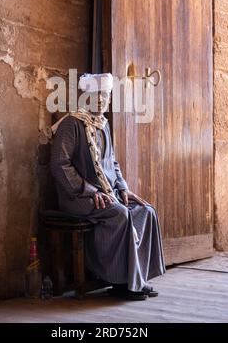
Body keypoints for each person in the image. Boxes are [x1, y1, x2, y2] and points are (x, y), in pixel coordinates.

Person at [50, 73, 166, 300]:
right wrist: (90, 191)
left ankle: (137, 278)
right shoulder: (72, 124)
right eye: (95, 95)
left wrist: (123, 188)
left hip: (107, 193)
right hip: (78, 197)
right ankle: (121, 282)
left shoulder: (103, 125)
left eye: (105, 95)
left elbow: (112, 162)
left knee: (146, 211)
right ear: (86, 98)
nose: (101, 100)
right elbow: (59, 165)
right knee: (120, 215)